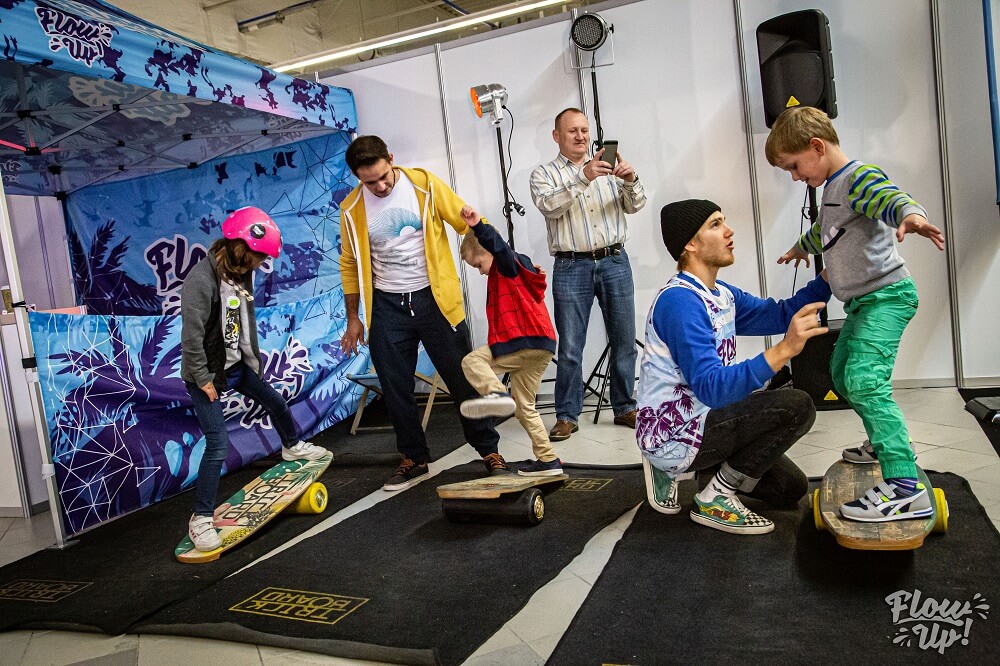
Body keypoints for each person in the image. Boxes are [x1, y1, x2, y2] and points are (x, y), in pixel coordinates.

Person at [765, 106, 946, 523]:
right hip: (864, 303)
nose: (794, 177)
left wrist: (912, 217)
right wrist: (800, 248)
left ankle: (905, 488)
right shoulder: (833, 189)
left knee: (865, 380)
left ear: (816, 146)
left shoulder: (858, 177)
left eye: (794, 166)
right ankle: (883, 443)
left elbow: (891, 198)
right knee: (842, 373)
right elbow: (825, 232)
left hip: (887, 297)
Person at [638, 199, 832, 535]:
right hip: (677, 432)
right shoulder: (680, 302)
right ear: (690, 244)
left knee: (789, 489)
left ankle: (701, 471)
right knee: (797, 406)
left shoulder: (721, 294)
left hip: (708, 418)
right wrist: (784, 350)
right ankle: (713, 495)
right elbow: (712, 388)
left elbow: (779, 314)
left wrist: (830, 276)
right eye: (715, 224)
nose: (729, 231)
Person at [339, 135, 509, 491]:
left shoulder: (425, 185)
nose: (380, 186)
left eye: (383, 176)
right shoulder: (351, 209)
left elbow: (469, 222)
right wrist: (354, 318)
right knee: (394, 386)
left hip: (435, 299)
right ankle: (413, 458)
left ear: (391, 158)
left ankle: (489, 451)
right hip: (387, 305)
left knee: (463, 378)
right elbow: (350, 263)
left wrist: (503, 259)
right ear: (357, 177)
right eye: (370, 182)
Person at [181, 207, 327, 552]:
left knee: (276, 402)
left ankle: (291, 446)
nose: (260, 264)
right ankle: (201, 518)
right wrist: (202, 378)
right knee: (217, 444)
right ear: (239, 247)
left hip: (236, 366)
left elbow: (242, 319)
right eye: (258, 257)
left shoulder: (240, 272)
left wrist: (252, 359)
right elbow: (191, 337)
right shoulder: (201, 281)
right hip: (206, 374)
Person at [529, 108, 647, 442]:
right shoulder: (544, 174)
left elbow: (635, 205)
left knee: (624, 341)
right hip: (571, 266)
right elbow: (550, 206)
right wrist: (584, 177)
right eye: (572, 131)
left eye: (584, 130)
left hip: (614, 260)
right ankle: (567, 415)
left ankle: (624, 407)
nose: (580, 136)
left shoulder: (606, 168)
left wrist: (630, 180)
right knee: (570, 346)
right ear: (557, 136)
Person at [457, 206, 562, 476]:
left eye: (478, 265)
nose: (480, 272)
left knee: (472, 361)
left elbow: (499, 247)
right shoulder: (519, 267)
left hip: (523, 341)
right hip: (542, 346)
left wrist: (478, 226)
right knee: (525, 407)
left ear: (489, 252)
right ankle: (548, 460)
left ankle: (496, 395)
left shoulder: (507, 266)